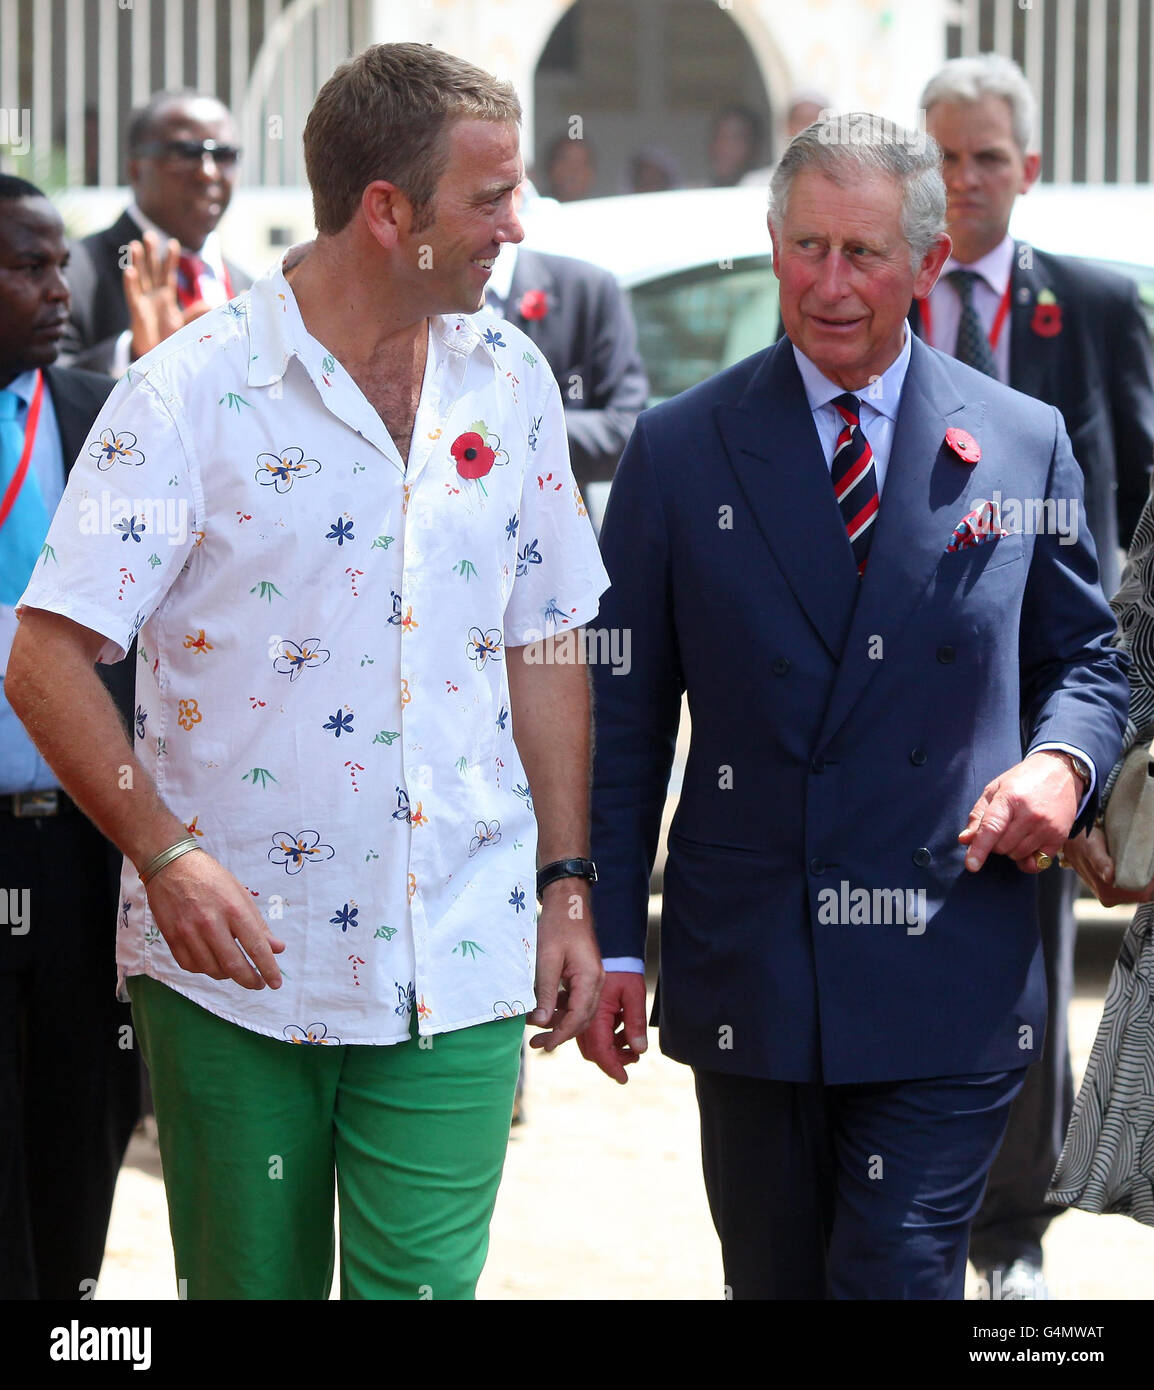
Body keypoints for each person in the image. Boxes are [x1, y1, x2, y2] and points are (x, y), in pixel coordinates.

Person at [7, 42, 608, 1301]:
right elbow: (46, 657)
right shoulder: (183, 395)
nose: (518, 221)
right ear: (388, 211)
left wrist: (565, 883)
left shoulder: (511, 378)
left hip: (461, 950)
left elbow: (545, 634)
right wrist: (164, 854)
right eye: (488, 197)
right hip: (236, 974)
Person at [578, 114, 1129, 1300]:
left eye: (864, 254)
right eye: (806, 247)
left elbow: (1085, 663)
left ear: (927, 265)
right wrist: (614, 935)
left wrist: (1059, 768)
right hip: (755, 967)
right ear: (769, 244)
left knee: (896, 1271)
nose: (830, 286)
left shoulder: (1021, 444)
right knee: (774, 1279)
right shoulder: (679, 452)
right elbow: (619, 721)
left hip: (948, 960)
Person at [918, 52, 1154, 1300]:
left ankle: (1008, 1237)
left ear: (1030, 167)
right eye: (943, 158)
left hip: (1058, 709)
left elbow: (1142, 507)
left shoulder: (1097, 304)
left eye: (986, 158)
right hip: (910, 699)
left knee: (1024, 976)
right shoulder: (878, 297)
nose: (962, 183)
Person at [0, 175, 138, 1299]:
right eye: (28, 266)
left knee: (79, 1121)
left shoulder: (102, 420)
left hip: (86, 853)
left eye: (60, 263)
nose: (60, 288)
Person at [59, 90, 251, 377]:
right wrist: (133, 353)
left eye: (224, 154)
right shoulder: (68, 274)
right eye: (185, 153)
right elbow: (36, 391)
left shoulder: (249, 287)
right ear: (135, 169)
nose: (208, 172)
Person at [479, 185, 648, 507]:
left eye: (495, 197)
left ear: (519, 193)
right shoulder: (426, 294)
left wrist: (506, 429)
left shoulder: (586, 289)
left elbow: (627, 428)